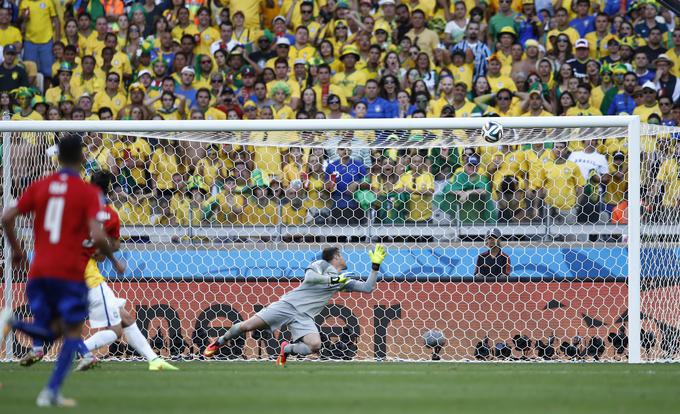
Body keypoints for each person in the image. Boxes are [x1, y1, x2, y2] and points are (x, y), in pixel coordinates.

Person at [0, 135, 125, 407]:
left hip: (38, 271)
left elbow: (7, 218)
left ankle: (12, 322)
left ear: (58, 158)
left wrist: (17, 251)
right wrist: (112, 256)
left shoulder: (40, 186)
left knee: (48, 334)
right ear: (82, 159)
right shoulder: (86, 193)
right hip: (69, 273)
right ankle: (51, 391)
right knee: (70, 333)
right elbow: (96, 234)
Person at [203, 245, 387, 365]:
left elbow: (368, 288)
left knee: (314, 346)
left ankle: (286, 349)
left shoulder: (342, 280)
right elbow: (311, 278)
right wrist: (336, 278)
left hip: (305, 317)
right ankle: (218, 343)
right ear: (336, 256)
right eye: (342, 255)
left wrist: (375, 266)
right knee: (246, 326)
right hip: (287, 305)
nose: (345, 258)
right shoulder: (321, 264)